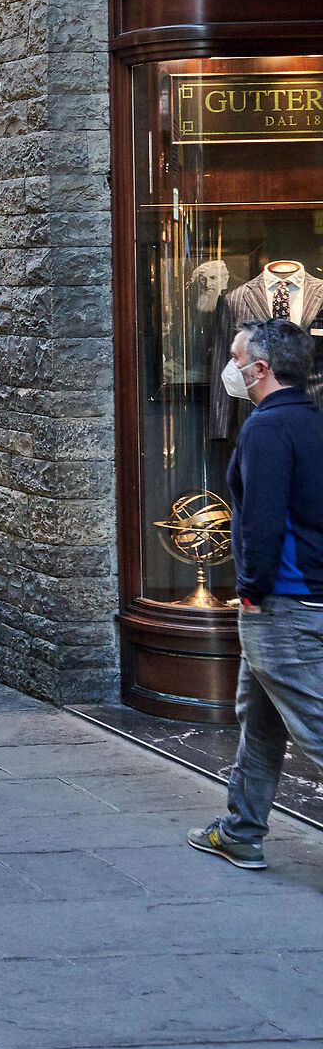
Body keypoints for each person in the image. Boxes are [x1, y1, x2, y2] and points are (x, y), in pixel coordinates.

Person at [192, 319, 323, 871]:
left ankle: (241, 829)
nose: (232, 367)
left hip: (281, 604)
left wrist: (250, 592)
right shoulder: (312, 422)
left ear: (261, 369)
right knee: (260, 715)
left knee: (314, 724)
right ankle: (241, 830)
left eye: (237, 356)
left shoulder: (267, 430)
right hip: (304, 597)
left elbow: (262, 522)